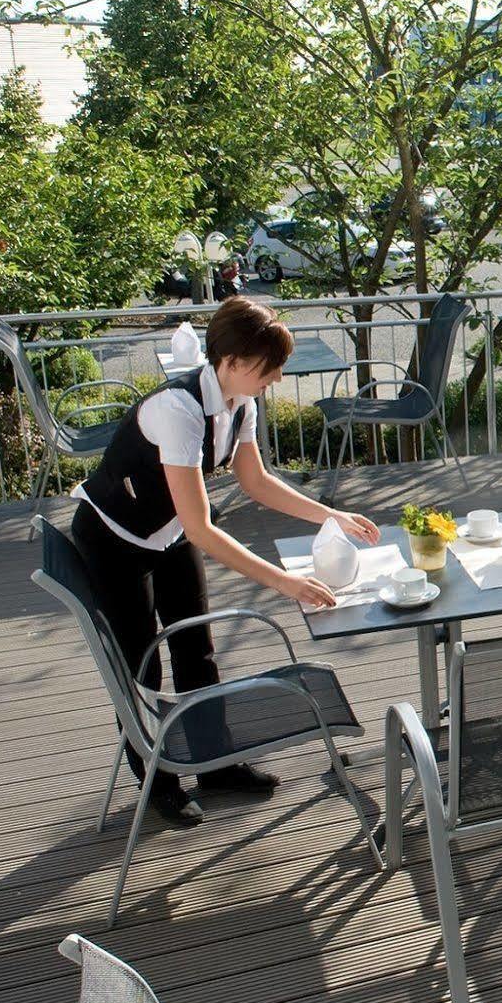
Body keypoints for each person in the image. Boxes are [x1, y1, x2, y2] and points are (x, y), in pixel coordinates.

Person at [69, 297, 380, 826]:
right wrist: (284, 582)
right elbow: (202, 528)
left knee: (198, 649)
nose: (277, 379)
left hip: (166, 533)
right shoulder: (178, 410)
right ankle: (158, 780)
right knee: (142, 662)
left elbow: (256, 483)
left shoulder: (240, 403)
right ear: (232, 361)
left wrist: (330, 514)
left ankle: (215, 764)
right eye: (270, 368)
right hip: (114, 540)